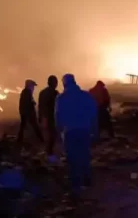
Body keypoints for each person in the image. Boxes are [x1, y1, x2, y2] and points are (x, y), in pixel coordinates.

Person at [55, 73, 98, 201]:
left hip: (70, 132)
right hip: (84, 130)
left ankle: (76, 185)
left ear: (64, 84)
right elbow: (94, 113)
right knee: (84, 154)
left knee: (73, 158)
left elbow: (58, 115)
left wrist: (59, 131)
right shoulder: (86, 96)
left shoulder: (61, 98)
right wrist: (94, 130)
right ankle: (86, 179)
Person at [38, 75, 60, 157]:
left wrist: (40, 117)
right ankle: (49, 153)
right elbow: (58, 107)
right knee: (52, 135)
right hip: (52, 117)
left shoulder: (42, 92)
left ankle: (48, 152)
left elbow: (40, 106)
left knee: (47, 135)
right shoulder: (55, 93)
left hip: (44, 117)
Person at [17, 79, 43, 144]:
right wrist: (33, 103)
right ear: (29, 86)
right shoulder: (27, 92)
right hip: (28, 113)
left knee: (23, 127)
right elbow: (28, 103)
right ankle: (41, 140)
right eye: (32, 86)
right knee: (35, 126)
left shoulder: (25, 92)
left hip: (25, 113)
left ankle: (19, 140)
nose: (33, 88)